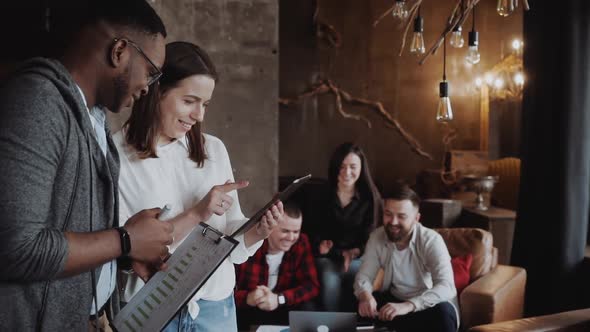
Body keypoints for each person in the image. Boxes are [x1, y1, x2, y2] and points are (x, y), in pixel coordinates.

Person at [0, 1, 174, 331]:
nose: (148, 87)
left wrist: (126, 250)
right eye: (151, 71)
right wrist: (125, 239)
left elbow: (70, 226)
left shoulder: (94, 117)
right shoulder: (38, 101)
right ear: (120, 51)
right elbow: (15, 248)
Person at [114, 41, 282, 332]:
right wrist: (197, 212)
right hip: (151, 312)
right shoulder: (115, 155)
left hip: (215, 310)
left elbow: (230, 235)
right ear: (156, 91)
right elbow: (125, 251)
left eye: (205, 104)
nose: (199, 115)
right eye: (189, 101)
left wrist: (257, 231)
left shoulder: (213, 150)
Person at [354, 183, 459, 332]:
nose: (393, 222)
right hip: (395, 300)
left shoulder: (432, 240)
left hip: (428, 304)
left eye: (401, 216)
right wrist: (365, 296)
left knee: (443, 314)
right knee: (361, 305)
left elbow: (447, 286)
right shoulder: (377, 236)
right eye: (388, 214)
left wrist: (409, 305)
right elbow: (364, 276)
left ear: (416, 218)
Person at [309, 142, 382, 311]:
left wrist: (355, 252)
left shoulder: (370, 197)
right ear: (335, 167)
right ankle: (332, 326)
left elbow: (372, 236)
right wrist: (321, 246)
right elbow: (312, 230)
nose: (347, 173)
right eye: (341, 167)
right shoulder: (321, 194)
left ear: (361, 168)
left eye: (353, 167)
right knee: (330, 279)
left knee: (360, 280)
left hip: (358, 257)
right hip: (328, 257)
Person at [234, 201, 319, 329]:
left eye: (296, 231)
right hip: (250, 309)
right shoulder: (249, 245)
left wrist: (279, 299)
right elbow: (226, 293)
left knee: (309, 307)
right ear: (270, 226)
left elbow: (311, 286)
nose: (291, 237)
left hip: (282, 305)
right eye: (285, 231)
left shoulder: (301, 242)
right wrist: (247, 298)